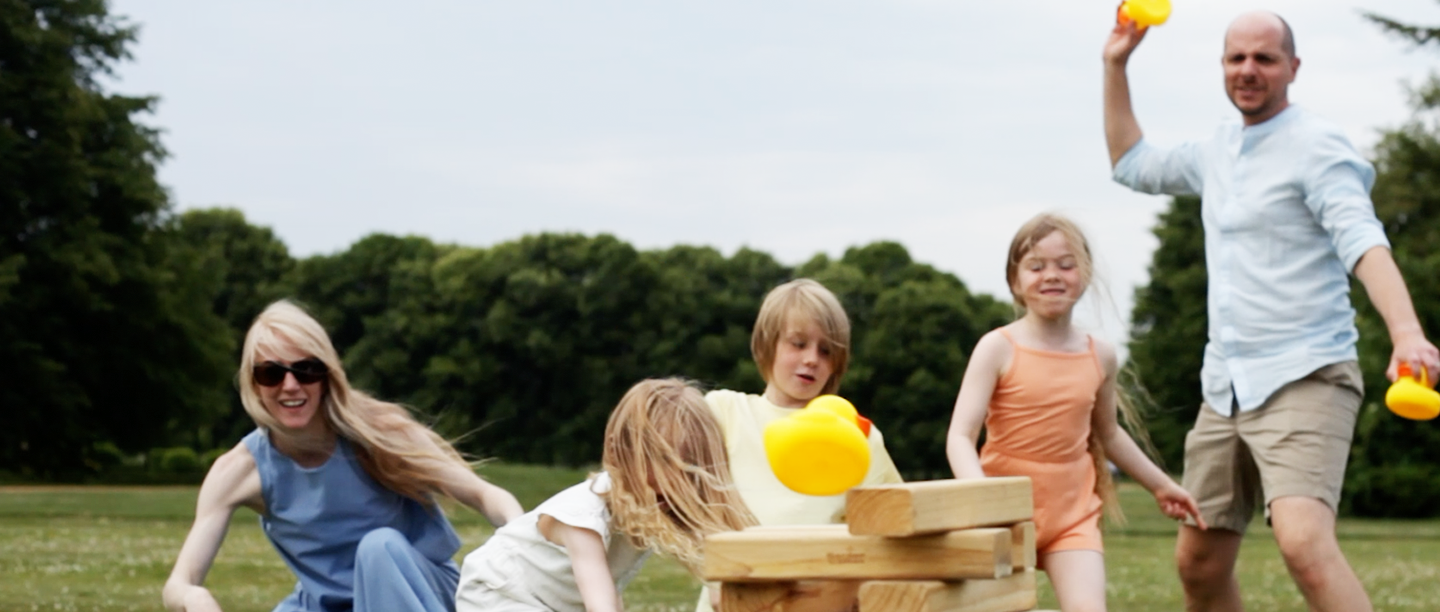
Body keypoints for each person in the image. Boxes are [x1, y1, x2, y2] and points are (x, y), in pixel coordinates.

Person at [1103, 11, 1440, 611]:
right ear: (1223, 67)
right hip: (1226, 383)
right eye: (1236, 59)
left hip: (1305, 372)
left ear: (1293, 67)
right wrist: (1116, 64)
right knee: (1199, 563)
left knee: (1304, 541)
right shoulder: (1216, 150)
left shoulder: (1317, 146)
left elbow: (1361, 238)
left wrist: (1406, 332)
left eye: (1264, 58)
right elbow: (1132, 164)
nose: (1248, 71)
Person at [163, 300, 524, 612]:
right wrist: (194, 597)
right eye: (271, 373)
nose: (290, 385)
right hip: (328, 604)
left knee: (378, 548)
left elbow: (485, 495)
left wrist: (517, 539)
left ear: (327, 374)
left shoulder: (380, 432)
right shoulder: (239, 470)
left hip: (418, 596)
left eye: (305, 369)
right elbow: (178, 584)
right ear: (253, 383)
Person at [945, 213, 1204, 612]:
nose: (1052, 275)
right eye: (1036, 266)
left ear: (1084, 275)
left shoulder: (1100, 355)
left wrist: (1160, 484)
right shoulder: (997, 348)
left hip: (1073, 516)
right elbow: (961, 436)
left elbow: (1109, 434)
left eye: (1066, 265)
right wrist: (982, 501)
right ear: (1015, 282)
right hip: (1003, 516)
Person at [454, 378, 757, 612]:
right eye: (663, 462)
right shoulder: (583, 518)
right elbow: (599, 602)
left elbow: (612, 585)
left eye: (689, 468)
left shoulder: (651, 505)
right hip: (496, 594)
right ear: (618, 452)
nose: (674, 482)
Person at [693, 278, 905, 612]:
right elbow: (676, 500)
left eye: (826, 351)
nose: (811, 359)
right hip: (729, 601)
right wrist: (710, 577)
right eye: (798, 343)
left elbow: (893, 529)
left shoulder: (859, 435)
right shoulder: (723, 412)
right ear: (767, 344)